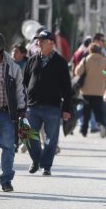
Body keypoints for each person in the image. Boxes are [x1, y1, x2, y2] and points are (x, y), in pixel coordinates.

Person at [23, 30, 72, 176]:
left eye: (42, 41)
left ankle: (46, 165)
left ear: (51, 43)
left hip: (52, 107)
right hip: (32, 106)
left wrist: (67, 109)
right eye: (38, 41)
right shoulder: (32, 60)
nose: (39, 44)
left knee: (51, 139)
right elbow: (25, 81)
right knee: (28, 135)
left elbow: (67, 88)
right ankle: (36, 159)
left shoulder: (60, 62)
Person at [0, 33, 26, 192]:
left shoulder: (11, 66)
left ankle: (7, 180)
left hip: (6, 114)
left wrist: (22, 108)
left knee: (8, 147)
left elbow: (19, 89)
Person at [74, 42, 106, 137]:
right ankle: (101, 124)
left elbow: (78, 72)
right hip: (99, 90)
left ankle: (84, 130)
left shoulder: (86, 59)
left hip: (86, 90)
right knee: (98, 111)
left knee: (87, 111)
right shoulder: (104, 60)